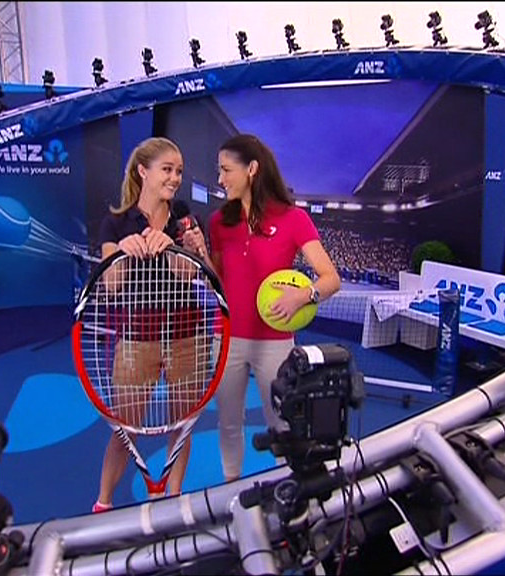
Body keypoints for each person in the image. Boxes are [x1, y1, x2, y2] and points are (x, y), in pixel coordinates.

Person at [206, 133, 342, 482]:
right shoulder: (219, 222)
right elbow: (216, 281)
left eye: (226, 170)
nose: (220, 179)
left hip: (276, 343)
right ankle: (231, 487)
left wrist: (302, 296)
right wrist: (200, 256)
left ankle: (291, 490)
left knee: (282, 422)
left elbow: (331, 279)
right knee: (228, 423)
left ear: (252, 169)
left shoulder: (295, 219)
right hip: (227, 339)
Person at [91, 136, 207, 512]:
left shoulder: (184, 217)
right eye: (167, 169)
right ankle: (103, 504)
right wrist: (124, 251)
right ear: (143, 171)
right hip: (137, 339)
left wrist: (176, 246)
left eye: (179, 171)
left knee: (182, 425)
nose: (175, 178)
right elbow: (111, 286)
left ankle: (172, 498)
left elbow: (189, 275)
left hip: (188, 337)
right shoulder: (116, 222)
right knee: (125, 430)